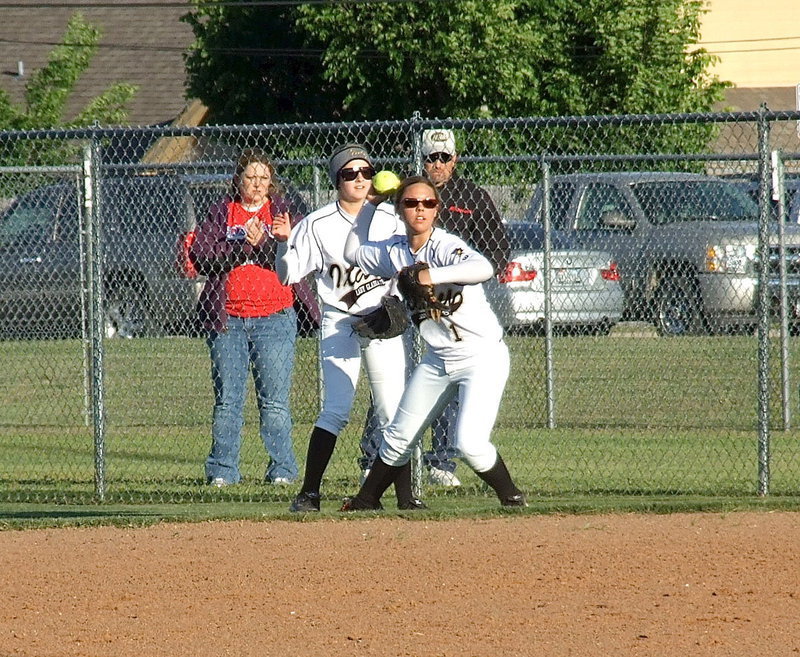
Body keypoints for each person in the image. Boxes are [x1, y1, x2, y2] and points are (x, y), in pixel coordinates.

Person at [339, 175, 526, 510]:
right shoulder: (394, 251)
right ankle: (367, 500)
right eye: (410, 203)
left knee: (469, 443)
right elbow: (353, 252)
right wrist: (369, 206)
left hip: (482, 356)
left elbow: (482, 266)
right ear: (399, 210)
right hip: (439, 358)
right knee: (398, 436)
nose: (420, 209)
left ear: (438, 209)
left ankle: (512, 496)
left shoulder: (444, 245)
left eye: (429, 203)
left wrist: (429, 275)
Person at [273, 143, 424, 512]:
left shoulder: (389, 219)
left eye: (365, 172)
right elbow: (287, 274)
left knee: (392, 411)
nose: (359, 178)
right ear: (336, 180)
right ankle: (309, 493)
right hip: (340, 320)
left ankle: (405, 497)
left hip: (382, 320)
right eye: (349, 173)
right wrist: (282, 244)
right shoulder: (318, 223)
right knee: (336, 410)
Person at [189, 148, 299, 487]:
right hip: (229, 320)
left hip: (274, 318)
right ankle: (222, 471)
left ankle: (282, 470)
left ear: (271, 182)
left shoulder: (281, 211)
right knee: (228, 402)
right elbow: (202, 254)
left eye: (263, 178)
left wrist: (265, 242)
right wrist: (241, 249)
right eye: (250, 177)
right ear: (237, 180)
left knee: (275, 403)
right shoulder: (222, 212)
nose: (256, 184)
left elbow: (293, 257)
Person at [420, 128, 511, 488]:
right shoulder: (410, 196)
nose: (437, 164)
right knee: (398, 384)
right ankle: (375, 459)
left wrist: (468, 280)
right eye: (431, 157)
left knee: (456, 385)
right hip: (417, 309)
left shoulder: (472, 196)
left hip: (457, 309)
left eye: (444, 157)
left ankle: (441, 463)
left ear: (455, 159)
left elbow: (497, 249)